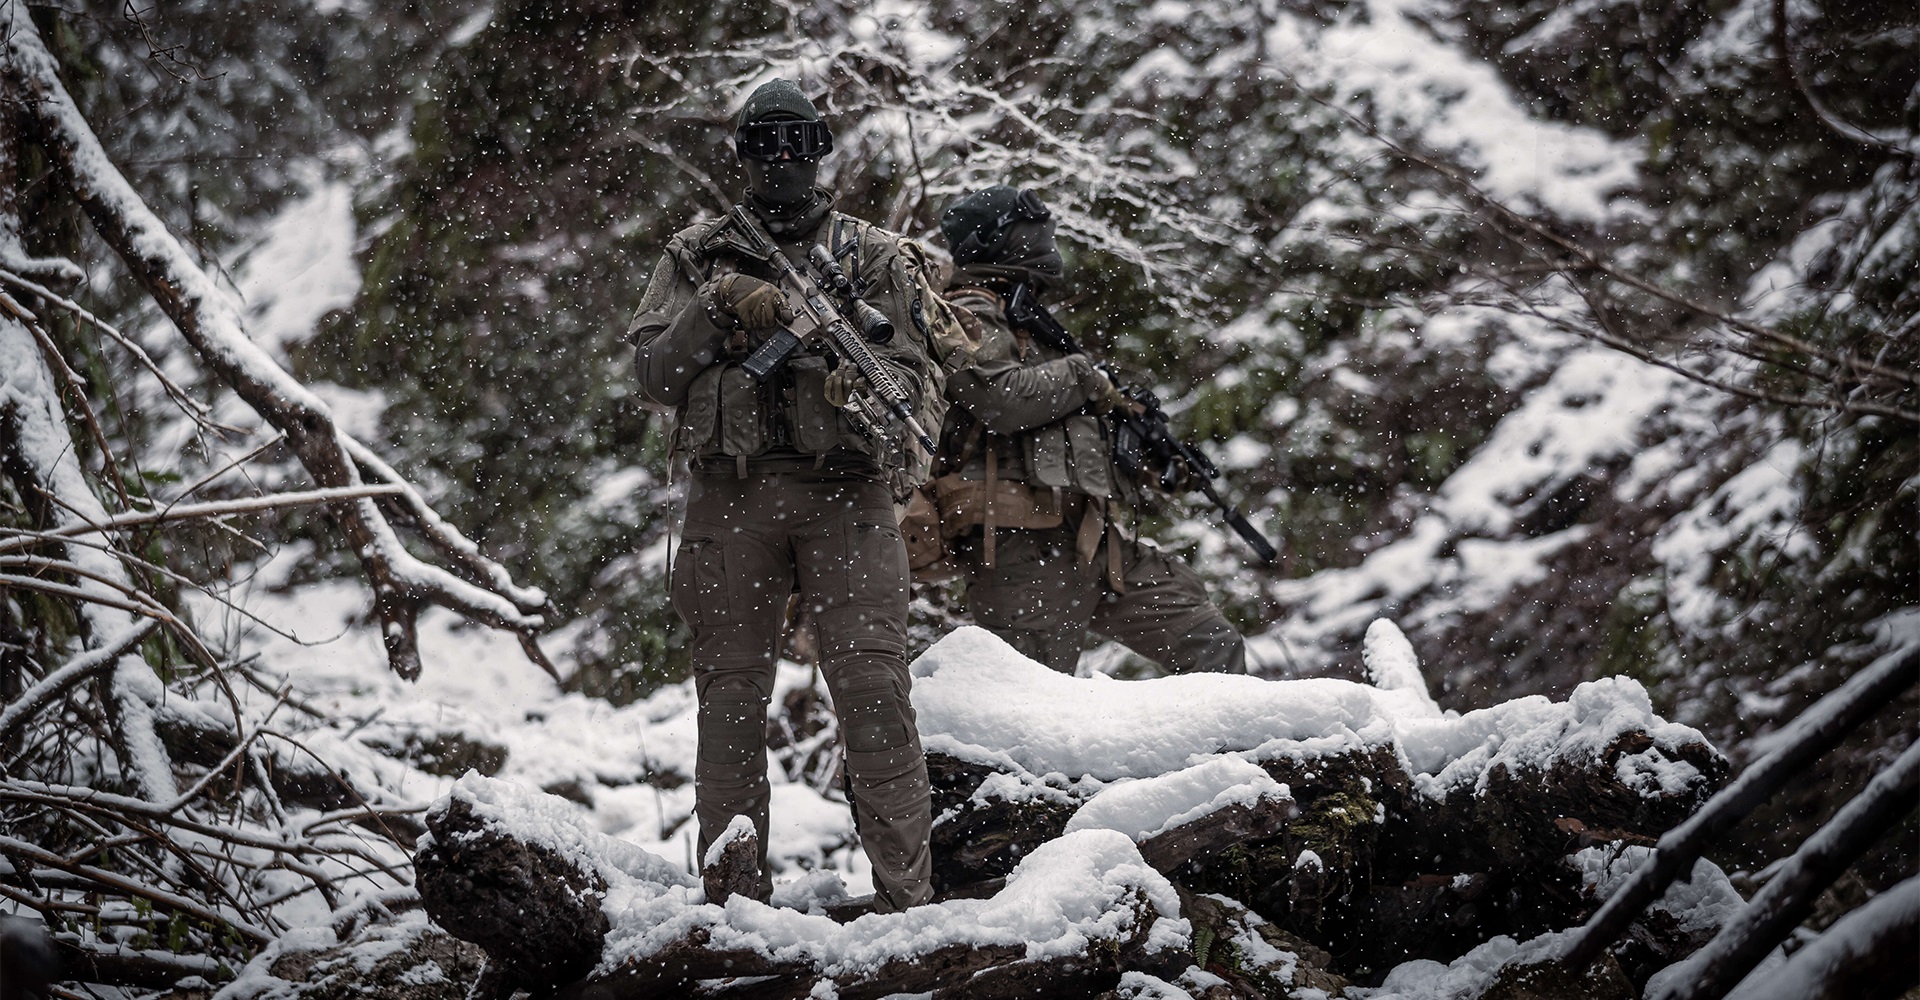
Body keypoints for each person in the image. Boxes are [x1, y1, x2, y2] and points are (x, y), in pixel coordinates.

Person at [625, 78, 952, 912]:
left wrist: (845, 383)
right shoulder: (697, 254)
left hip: (846, 496)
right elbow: (656, 375)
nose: (781, 161)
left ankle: (909, 905)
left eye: (796, 144)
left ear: (820, 151)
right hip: (728, 500)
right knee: (730, 700)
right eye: (763, 144)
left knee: (875, 691)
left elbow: (915, 387)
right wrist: (722, 306)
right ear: (741, 154)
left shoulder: (874, 256)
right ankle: (735, 907)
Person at [933, 185, 1248, 676]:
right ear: (994, 240)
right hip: (1020, 550)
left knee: (1210, 642)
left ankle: (1222, 753)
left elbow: (1065, 436)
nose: (1042, 241)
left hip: (1091, 540)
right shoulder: (965, 310)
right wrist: (1084, 376)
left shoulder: (1030, 324)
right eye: (1028, 231)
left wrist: (1150, 460)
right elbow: (1001, 400)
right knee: (1031, 715)